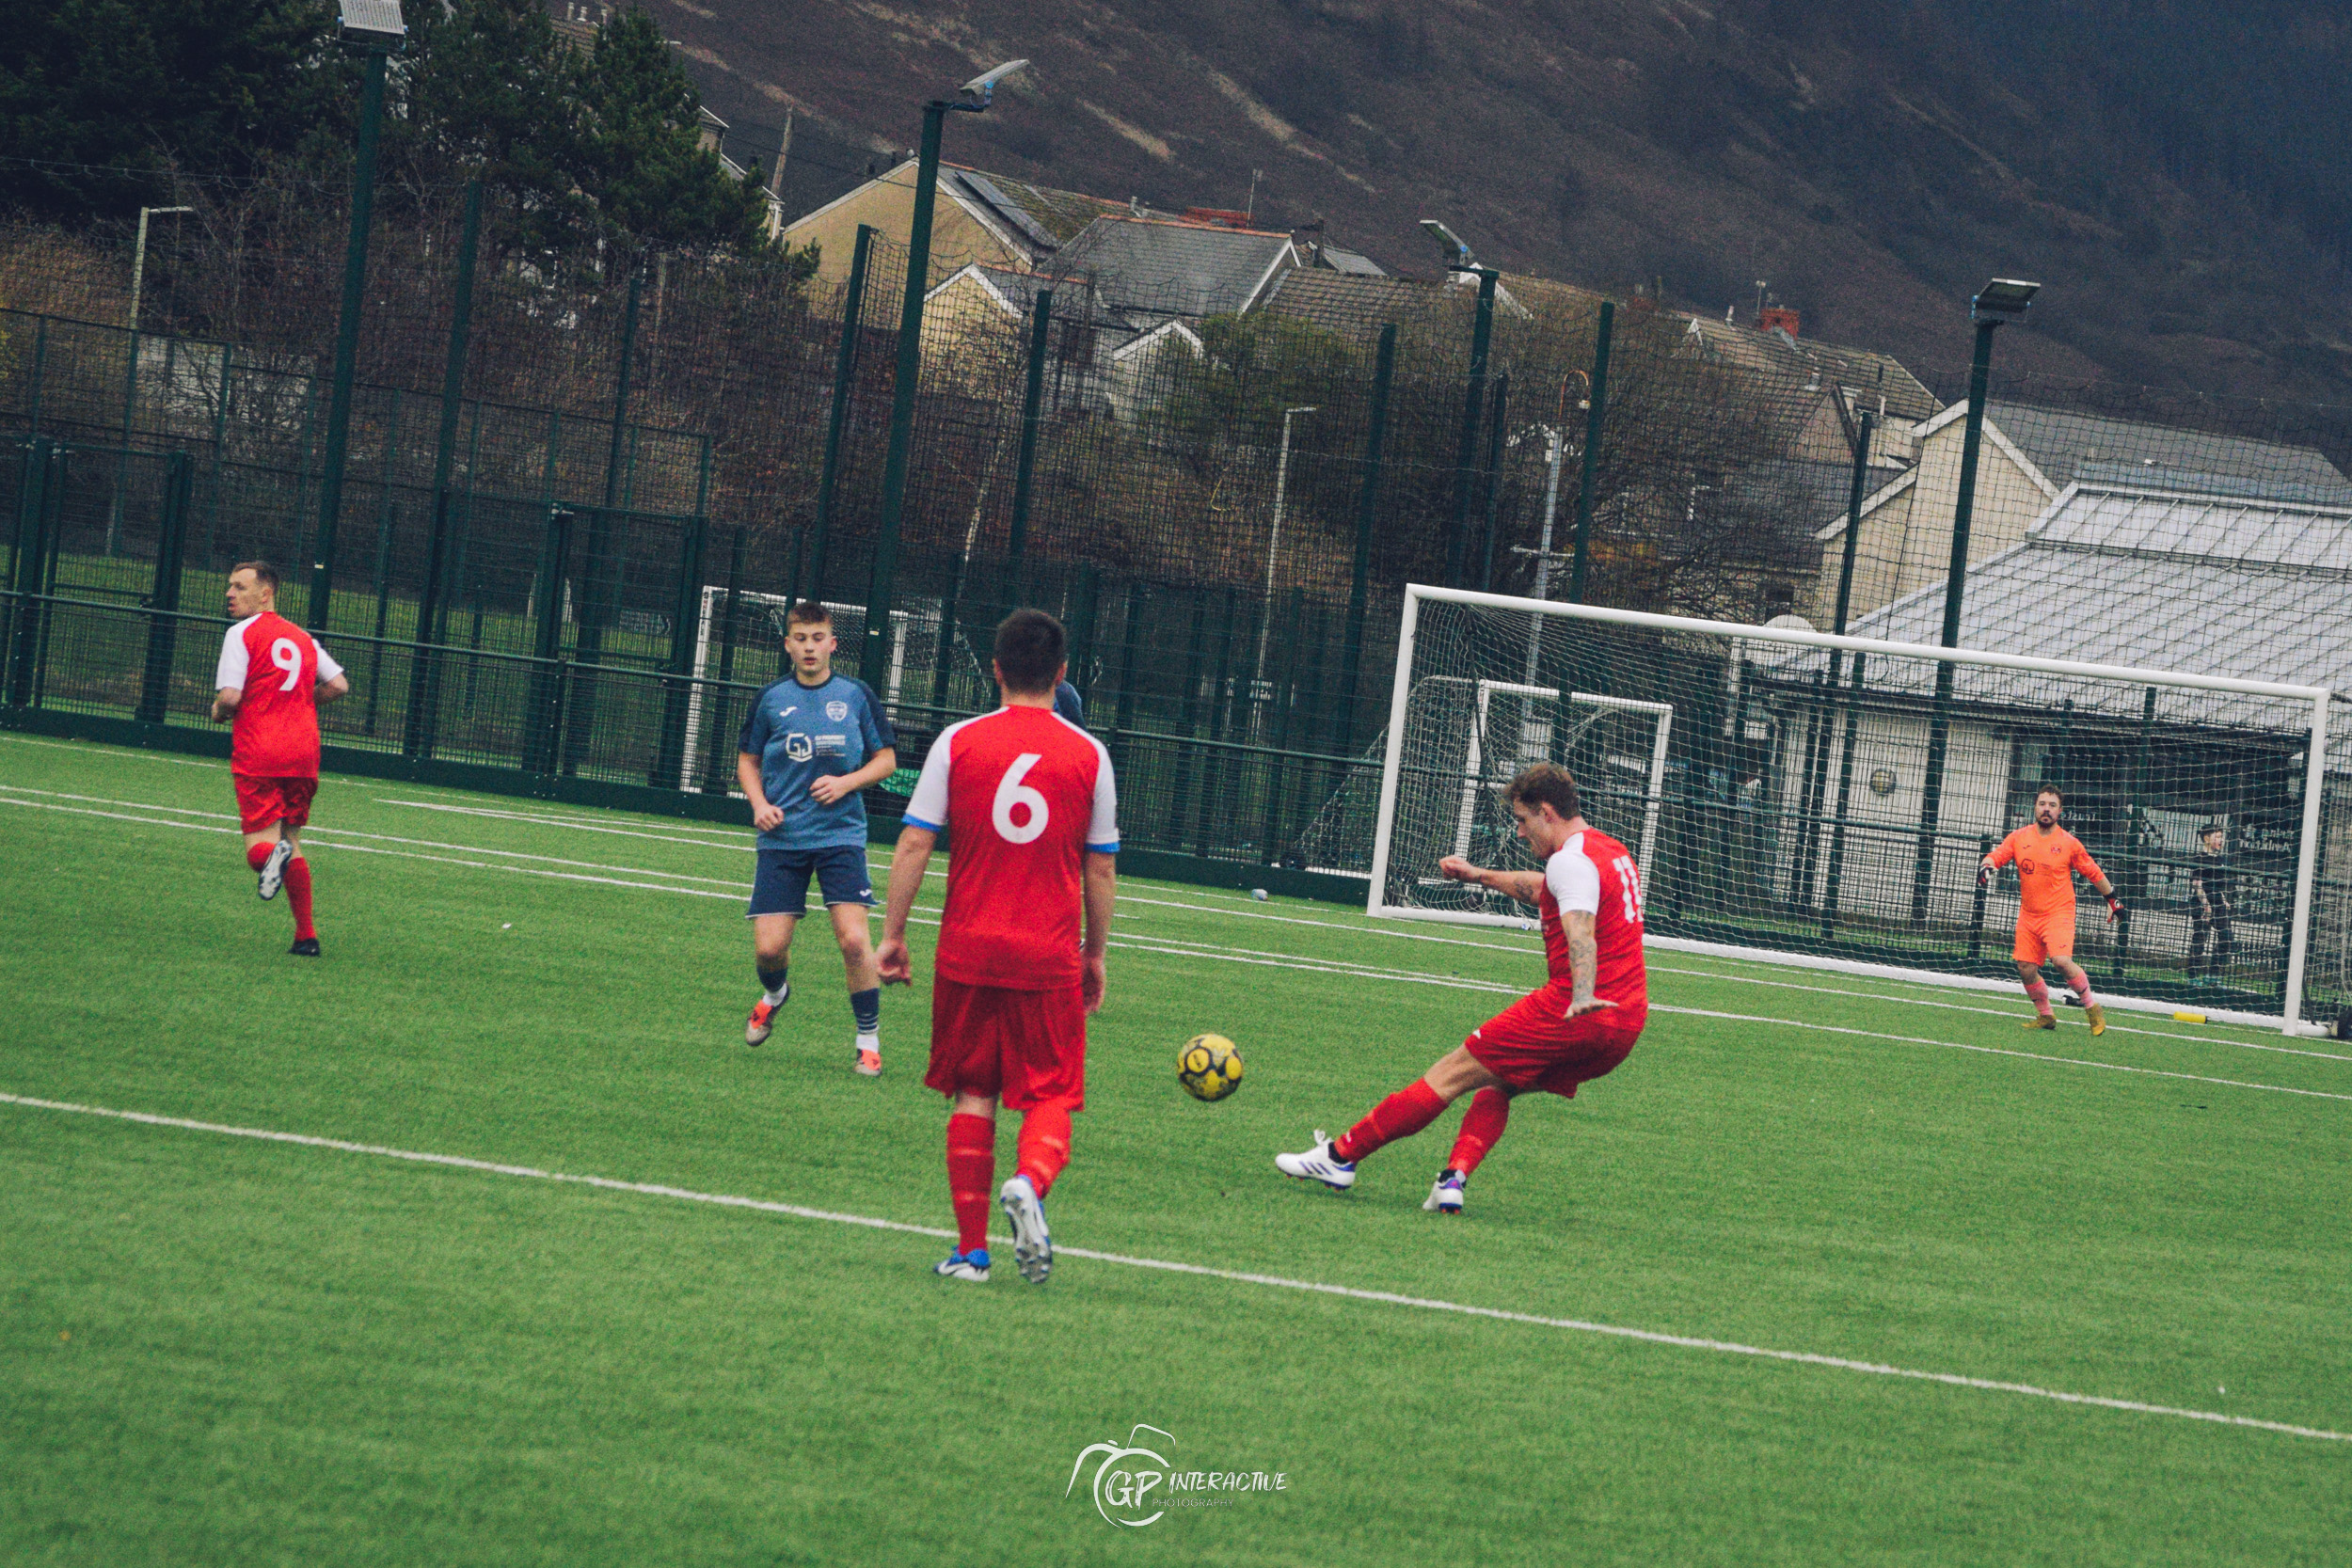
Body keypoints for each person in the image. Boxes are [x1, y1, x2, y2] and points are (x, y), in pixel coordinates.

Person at [1275, 764, 1645, 1215]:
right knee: (1500, 1080)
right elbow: (1544, 890)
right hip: (1624, 1023)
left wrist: (1582, 993)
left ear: (1547, 813)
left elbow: (1580, 931)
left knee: (1450, 1073)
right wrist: (1478, 875)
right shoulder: (1609, 851)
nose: (1520, 832)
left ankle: (1340, 1157)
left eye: (1522, 820)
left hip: (1576, 1009)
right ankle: (1452, 1180)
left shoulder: (1569, 861)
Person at [877, 609, 1119, 1286]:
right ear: (1062, 673)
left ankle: (971, 1253)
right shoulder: (1090, 755)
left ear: (995, 669)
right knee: (1052, 1091)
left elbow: (915, 841)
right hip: (1046, 954)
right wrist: (1095, 954)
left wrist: (892, 935)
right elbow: (1100, 867)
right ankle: (1030, 1181)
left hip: (967, 950)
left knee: (973, 1090)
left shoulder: (957, 741)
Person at [736, 601, 898, 1074]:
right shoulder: (770, 698)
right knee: (769, 950)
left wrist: (847, 783)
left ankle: (867, 1040)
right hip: (783, 839)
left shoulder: (856, 695)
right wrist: (759, 805)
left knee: (854, 941)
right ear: (788, 645)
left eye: (818, 638)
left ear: (832, 644)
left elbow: (886, 760)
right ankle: (775, 995)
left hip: (839, 836)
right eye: (801, 639)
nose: (810, 647)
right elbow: (747, 760)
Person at [209, 561, 350, 956]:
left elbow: (230, 697)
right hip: (303, 751)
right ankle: (306, 936)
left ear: (265, 594)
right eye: (230, 586)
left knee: (261, 848)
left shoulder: (241, 633)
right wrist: (301, 700)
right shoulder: (302, 637)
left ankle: (273, 858)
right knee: (291, 840)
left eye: (239, 587)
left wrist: (218, 711)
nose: (230, 594)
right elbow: (339, 685)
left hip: (261, 749)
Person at [1979, 785, 2122, 1034]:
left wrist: (2113, 901)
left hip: (2059, 913)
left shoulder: (2069, 843)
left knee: (2061, 961)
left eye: (2052, 805)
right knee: (2025, 968)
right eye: (2042, 804)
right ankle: (2046, 1015)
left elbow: (2094, 872)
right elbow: (1996, 856)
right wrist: (1986, 866)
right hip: (2029, 915)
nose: (2046, 809)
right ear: (2035, 807)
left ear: (2060, 811)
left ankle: (2092, 1007)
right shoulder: (2018, 837)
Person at [2188, 824, 2236, 988]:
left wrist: (2223, 899)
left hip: (2218, 903)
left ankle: (2213, 975)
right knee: (2200, 938)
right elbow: (2197, 884)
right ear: (2207, 839)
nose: (2221, 840)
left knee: (2226, 937)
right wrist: (2206, 906)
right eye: (2217, 837)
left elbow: (2217, 884)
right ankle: (2193, 977)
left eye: (2222, 837)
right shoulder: (2199, 859)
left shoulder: (2221, 860)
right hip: (2202, 903)